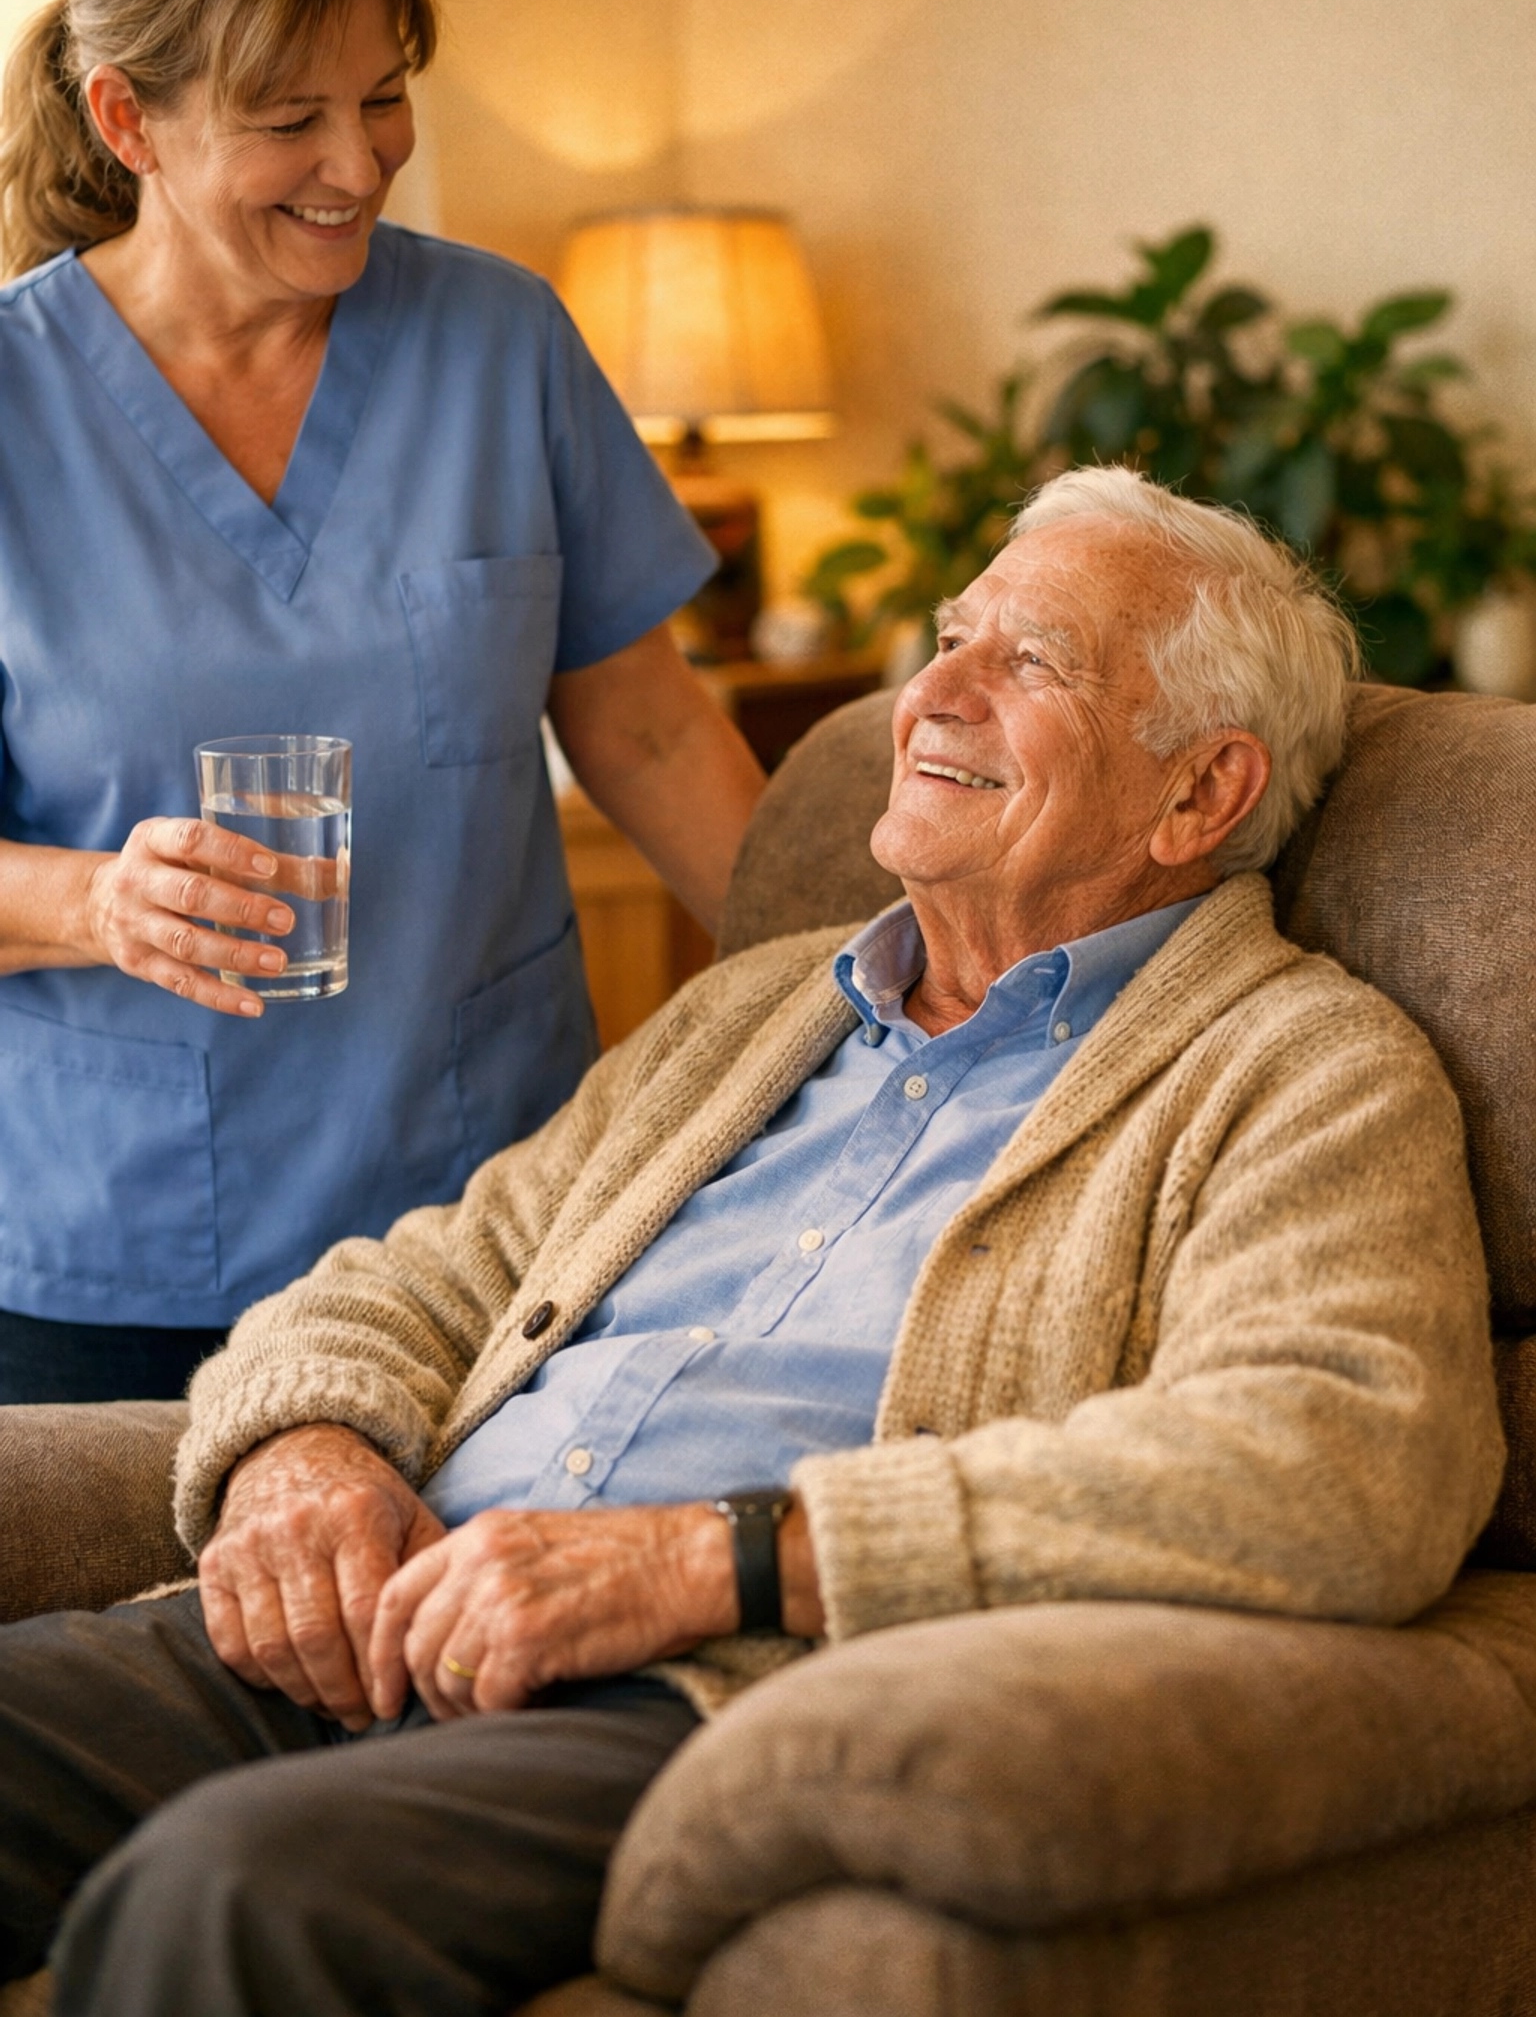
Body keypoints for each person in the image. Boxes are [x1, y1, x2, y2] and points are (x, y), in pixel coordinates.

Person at [0, 468, 1504, 2016]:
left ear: (1201, 792)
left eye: (1030, 662)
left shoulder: (1300, 1070)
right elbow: (433, 1268)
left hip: (687, 1698)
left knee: (234, 1895)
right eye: (950, 637)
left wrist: (718, 1564)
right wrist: (304, 1451)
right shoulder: (759, 1007)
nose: (930, 693)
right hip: (377, 1618)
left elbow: (1349, 1459)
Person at [0, 0, 765, 1405]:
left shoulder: (501, 342)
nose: (358, 163)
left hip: (487, 1225)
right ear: (127, 120)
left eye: (386, 96)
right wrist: (94, 905)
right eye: (289, 122)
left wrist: (877, 980)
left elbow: (648, 723)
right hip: (113, 1257)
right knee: (117, 1653)